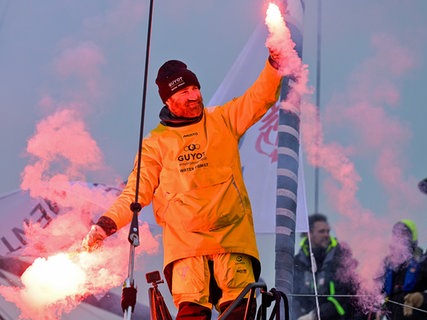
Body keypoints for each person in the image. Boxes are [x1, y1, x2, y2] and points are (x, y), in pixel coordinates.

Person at [81, 44, 285, 319]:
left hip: (232, 239)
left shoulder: (223, 119)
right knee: (191, 313)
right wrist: (105, 226)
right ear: (168, 100)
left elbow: (260, 97)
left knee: (240, 311)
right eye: (184, 92)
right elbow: (136, 193)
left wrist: (275, 61)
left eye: (195, 89)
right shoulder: (155, 144)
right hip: (186, 247)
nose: (194, 96)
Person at [292, 213, 363, 320]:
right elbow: (293, 296)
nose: (326, 235)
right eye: (321, 231)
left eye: (328, 231)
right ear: (309, 234)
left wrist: (315, 315)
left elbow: (343, 294)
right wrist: (299, 316)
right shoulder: (298, 262)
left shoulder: (341, 256)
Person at [376, 219, 427, 320]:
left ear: (412, 237)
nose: (400, 238)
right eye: (396, 234)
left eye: (404, 234)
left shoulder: (423, 261)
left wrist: (421, 297)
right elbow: (380, 291)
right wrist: (379, 307)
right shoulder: (388, 265)